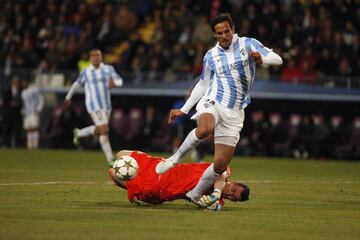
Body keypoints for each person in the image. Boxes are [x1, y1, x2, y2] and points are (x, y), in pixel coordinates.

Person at [156, 13, 282, 206]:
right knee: (205, 129)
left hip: (236, 112)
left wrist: (261, 59)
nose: (223, 36)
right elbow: (203, 84)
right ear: (214, 35)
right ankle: (174, 158)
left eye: (226, 31)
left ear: (233, 29)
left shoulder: (248, 44)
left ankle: (195, 194)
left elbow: (278, 59)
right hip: (214, 100)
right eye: (219, 33)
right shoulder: (211, 55)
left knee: (220, 164)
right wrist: (184, 109)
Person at [109, 150, 250, 211]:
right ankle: (133, 189)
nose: (229, 195)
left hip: (157, 188)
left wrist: (213, 203)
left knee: (115, 172)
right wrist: (216, 194)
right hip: (160, 170)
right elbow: (221, 177)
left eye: (233, 198)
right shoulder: (222, 173)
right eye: (232, 190)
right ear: (234, 182)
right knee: (120, 155)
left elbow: (215, 205)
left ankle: (130, 186)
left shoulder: (216, 202)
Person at [64, 49, 123, 166]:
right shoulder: (86, 71)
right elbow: (76, 84)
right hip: (93, 105)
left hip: (106, 106)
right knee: (105, 130)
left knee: (101, 129)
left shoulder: (108, 69)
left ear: (101, 57)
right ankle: (110, 159)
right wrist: (68, 97)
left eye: (98, 55)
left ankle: (79, 133)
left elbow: (120, 81)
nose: (96, 57)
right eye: (93, 55)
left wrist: (115, 83)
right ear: (90, 58)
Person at [21, 80, 44, 149]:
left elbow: (41, 99)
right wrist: (23, 111)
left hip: (34, 112)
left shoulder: (33, 90)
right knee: (28, 129)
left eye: (24, 83)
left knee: (34, 128)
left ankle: (35, 145)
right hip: (27, 113)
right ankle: (29, 146)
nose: (23, 84)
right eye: (23, 83)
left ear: (27, 83)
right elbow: (24, 104)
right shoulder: (23, 92)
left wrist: (39, 109)